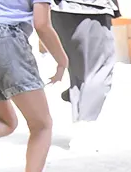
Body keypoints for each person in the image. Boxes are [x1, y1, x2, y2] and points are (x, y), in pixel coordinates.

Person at [0, 0, 67, 172]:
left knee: (5, 121)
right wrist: (62, 61)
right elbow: (42, 24)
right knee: (41, 125)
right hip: (4, 40)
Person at [51, 0, 119, 137]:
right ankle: (84, 131)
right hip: (90, 9)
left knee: (78, 73)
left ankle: (79, 126)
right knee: (98, 71)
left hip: (57, 9)